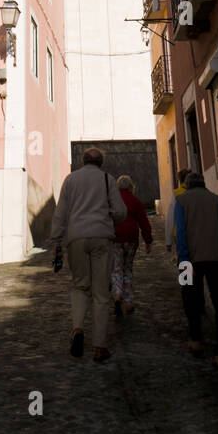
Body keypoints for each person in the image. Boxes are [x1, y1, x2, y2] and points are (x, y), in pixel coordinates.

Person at [50, 146, 127, 363]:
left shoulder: (70, 180)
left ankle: (77, 329)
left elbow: (60, 213)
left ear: (83, 161)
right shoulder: (107, 179)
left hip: (76, 238)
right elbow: (121, 211)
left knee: (79, 285)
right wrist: (111, 217)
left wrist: (56, 240)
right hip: (102, 236)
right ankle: (100, 347)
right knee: (101, 292)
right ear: (100, 162)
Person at [174, 172, 218, 370]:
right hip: (216, 259)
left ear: (187, 185)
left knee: (188, 299)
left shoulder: (181, 200)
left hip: (188, 260)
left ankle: (196, 341)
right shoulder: (217, 200)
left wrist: (184, 258)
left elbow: (181, 232)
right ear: (204, 184)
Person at [111, 174, 152, 316]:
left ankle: (117, 293)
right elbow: (144, 222)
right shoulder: (135, 201)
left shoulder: (112, 201)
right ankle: (128, 302)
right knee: (127, 268)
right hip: (131, 239)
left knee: (117, 268)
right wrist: (148, 240)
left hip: (115, 238)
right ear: (130, 186)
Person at [164, 168, 190, 251]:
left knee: (184, 260)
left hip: (180, 234)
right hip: (197, 233)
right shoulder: (199, 192)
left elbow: (170, 217)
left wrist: (168, 241)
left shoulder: (176, 194)